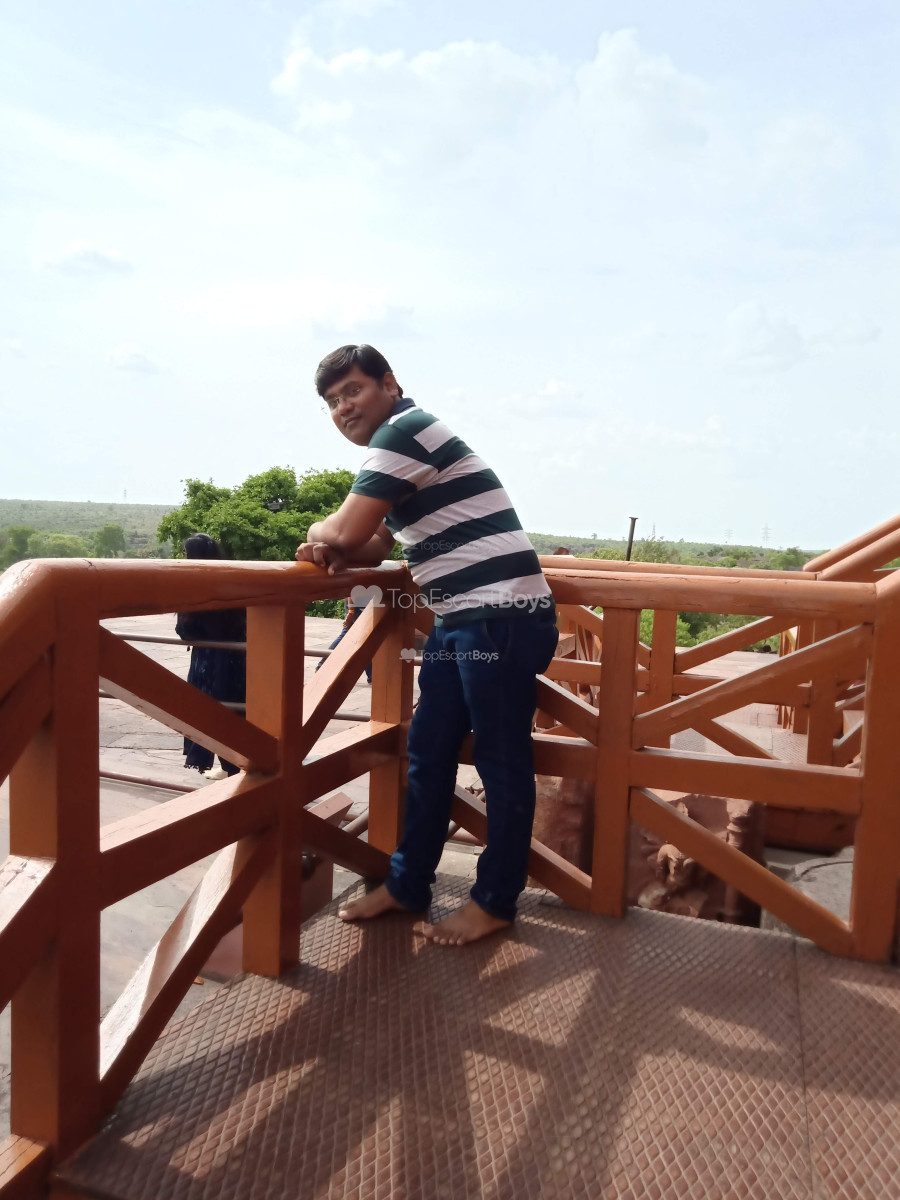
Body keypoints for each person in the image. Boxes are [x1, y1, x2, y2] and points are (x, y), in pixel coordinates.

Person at [295, 344, 558, 946]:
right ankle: (408, 883)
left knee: (500, 760)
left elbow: (348, 529)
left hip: (500, 616)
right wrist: (335, 547)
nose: (343, 408)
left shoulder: (404, 431)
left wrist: (321, 532)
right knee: (429, 748)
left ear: (389, 384)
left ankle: (494, 901)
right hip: (461, 618)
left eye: (353, 390)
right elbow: (373, 545)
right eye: (332, 401)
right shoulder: (403, 448)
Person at [175, 534, 247, 780]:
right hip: (238, 658)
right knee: (234, 712)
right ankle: (235, 766)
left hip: (209, 660)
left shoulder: (193, 587)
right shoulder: (232, 580)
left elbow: (185, 631)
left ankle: (230, 769)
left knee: (207, 712)